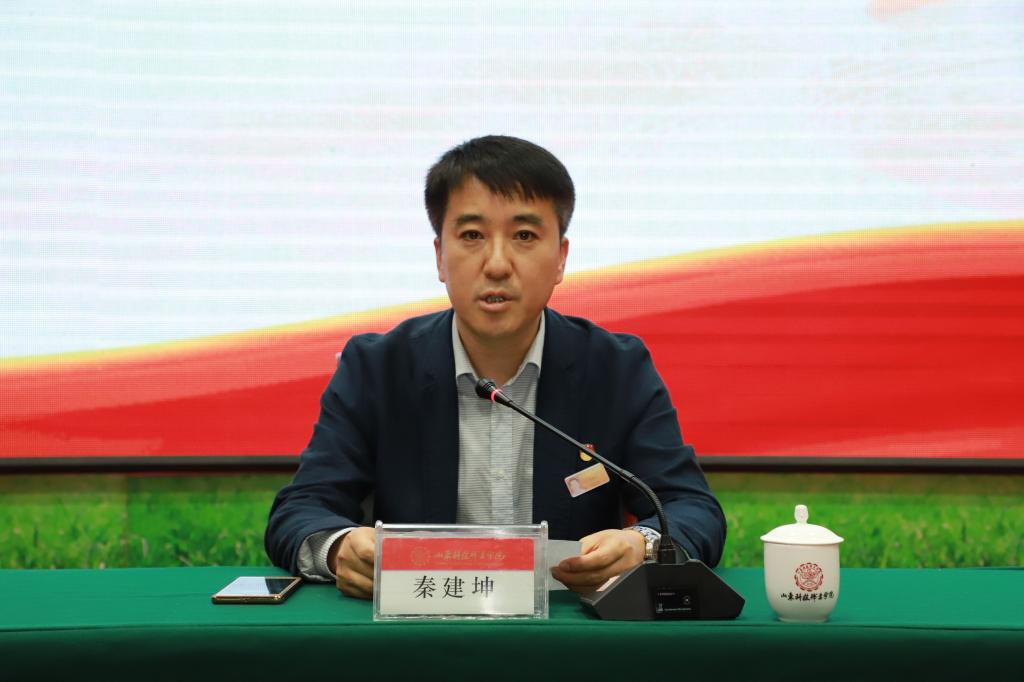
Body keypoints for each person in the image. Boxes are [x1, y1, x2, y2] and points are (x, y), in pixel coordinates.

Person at [265, 135, 726, 598]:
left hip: (566, 630)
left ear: (561, 258)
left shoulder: (615, 369)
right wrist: (339, 547)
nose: (498, 264)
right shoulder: (377, 368)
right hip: (420, 625)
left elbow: (691, 508)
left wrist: (642, 545)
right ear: (439, 256)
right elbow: (302, 509)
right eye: (472, 236)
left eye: (524, 236)